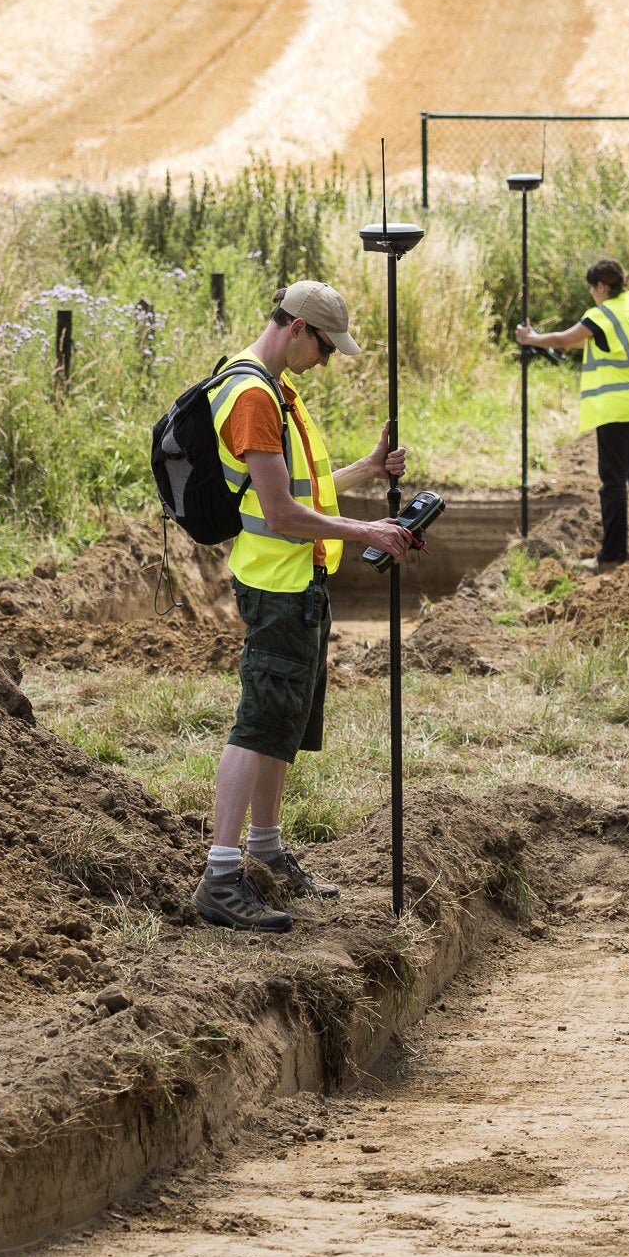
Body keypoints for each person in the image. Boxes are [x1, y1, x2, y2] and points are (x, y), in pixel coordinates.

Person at [196, 281, 418, 933]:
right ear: (297, 328)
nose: (326, 358)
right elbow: (284, 511)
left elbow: (303, 485)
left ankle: (264, 848)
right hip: (277, 585)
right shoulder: (255, 398)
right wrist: (367, 532)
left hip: (298, 582)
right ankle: (221, 873)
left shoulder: (274, 388)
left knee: (283, 720)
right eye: (324, 345)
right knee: (259, 721)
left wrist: (366, 469)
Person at [514, 259, 629, 567]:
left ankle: (612, 555)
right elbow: (611, 345)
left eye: (591, 287)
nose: (591, 293)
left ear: (601, 287)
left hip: (616, 409)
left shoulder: (601, 314)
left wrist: (530, 339)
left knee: (613, 482)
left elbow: (565, 339)